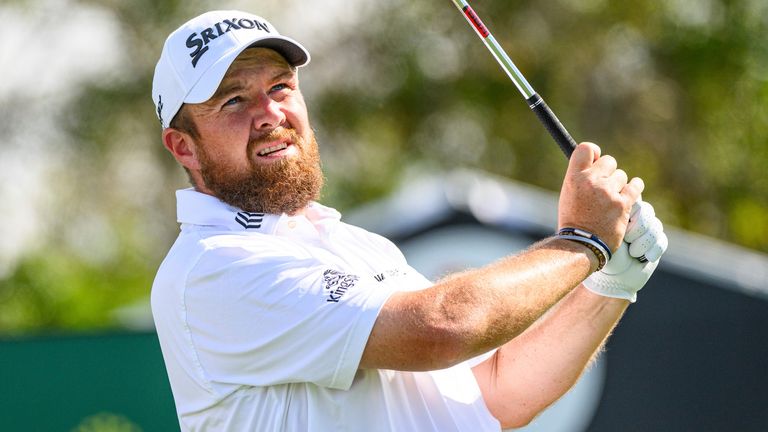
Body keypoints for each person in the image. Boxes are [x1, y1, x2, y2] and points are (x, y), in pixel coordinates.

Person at [150, 10, 668, 432]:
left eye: (281, 87)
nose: (269, 114)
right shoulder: (210, 270)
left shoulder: (361, 248)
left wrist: (609, 283)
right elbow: (442, 328)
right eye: (233, 99)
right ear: (184, 147)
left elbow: (498, 394)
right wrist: (581, 242)